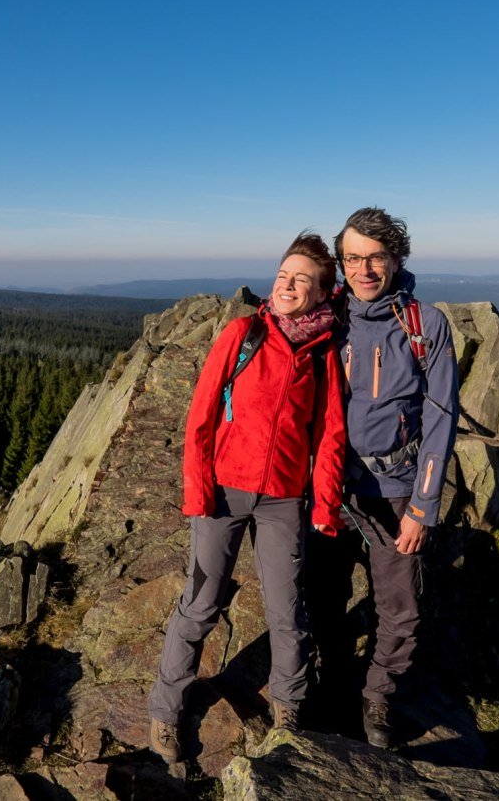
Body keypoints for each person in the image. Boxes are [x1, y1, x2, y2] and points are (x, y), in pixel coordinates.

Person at [147, 234, 347, 764]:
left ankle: (289, 708)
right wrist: (198, 490)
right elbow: (202, 415)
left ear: (324, 293)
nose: (287, 284)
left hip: (284, 497)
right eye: (284, 274)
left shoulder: (321, 352)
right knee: (201, 604)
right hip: (223, 491)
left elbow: (329, 434)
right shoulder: (243, 333)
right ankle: (166, 710)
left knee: (288, 610)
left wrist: (324, 505)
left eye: (302, 279)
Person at [306, 207, 459, 749]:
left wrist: (423, 505)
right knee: (323, 597)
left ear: (396, 259)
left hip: (395, 490)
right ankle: (329, 684)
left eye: (375, 257)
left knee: (400, 606)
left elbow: (441, 417)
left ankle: (378, 698)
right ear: (341, 262)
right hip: (330, 488)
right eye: (353, 258)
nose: (364, 269)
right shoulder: (328, 315)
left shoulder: (425, 325)